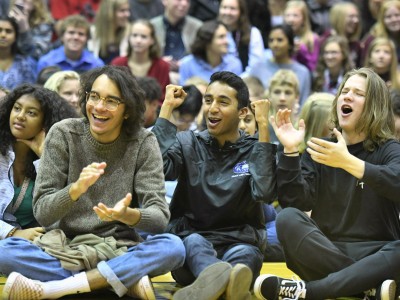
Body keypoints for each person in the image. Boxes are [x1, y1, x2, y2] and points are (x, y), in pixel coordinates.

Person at [0, 65, 185, 300]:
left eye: (111, 101)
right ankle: (119, 280)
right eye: (94, 96)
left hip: (119, 246)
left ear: (127, 110)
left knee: (173, 247)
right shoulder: (63, 133)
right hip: (64, 246)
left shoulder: (143, 142)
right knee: (4, 252)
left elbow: (159, 218)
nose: (98, 106)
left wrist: (129, 215)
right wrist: (74, 190)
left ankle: (55, 289)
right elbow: (43, 213)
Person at [254, 67, 400, 299]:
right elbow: (296, 201)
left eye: (358, 93)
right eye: (344, 90)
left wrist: (348, 162)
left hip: (376, 253)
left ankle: (311, 291)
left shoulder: (389, 148)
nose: (347, 96)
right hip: (325, 250)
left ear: (375, 105)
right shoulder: (320, 148)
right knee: (287, 218)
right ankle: (363, 287)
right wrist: (290, 152)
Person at [152, 71, 277, 300]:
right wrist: (167, 108)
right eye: (208, 100)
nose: (212, 108)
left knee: (246, 256)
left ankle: (212, 288)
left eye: (223, 102)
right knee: (193, 243)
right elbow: (156, 169)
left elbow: (264, 191)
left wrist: (264, 127)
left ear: (242, 112)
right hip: (193, 241)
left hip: (239, 241)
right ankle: (225, 285)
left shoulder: (254, 149)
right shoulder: (187, 142)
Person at [0, 84, 78, 242]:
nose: (20, 116)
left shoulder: (53, 157)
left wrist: (45, 156)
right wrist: (13, 233)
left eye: (31, 113)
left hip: (33, 245)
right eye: (16, 108)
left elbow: (66, 207)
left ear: (45, 122)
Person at [244, 24, 311, 107]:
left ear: (290, 44)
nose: (274, 44)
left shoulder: (302, 72)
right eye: (271, 40)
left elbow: (304, 103)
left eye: (279, 40)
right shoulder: (257, 68)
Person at [111, 19, 170, 101]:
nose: (138, 40)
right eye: (134, 35)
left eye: (143, 37)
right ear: (129, 38)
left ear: (152, 40)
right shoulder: (117, 63)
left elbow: (163, 98)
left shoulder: (163, 66)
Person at [150, 0, 203, 82]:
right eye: (179, 0)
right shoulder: (152, 26)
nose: (184, 4)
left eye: (188, 1)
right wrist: (159, 61)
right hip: (157, 75)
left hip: (189, 77)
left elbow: (203, 57)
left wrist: (186, 62)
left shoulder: (197, 27)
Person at [179, 20, 243, 85]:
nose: (226, 41)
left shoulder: (234, 64)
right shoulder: (187, 64)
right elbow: (184, 92)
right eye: (221, 37)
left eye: (226, 36)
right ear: (207, 42)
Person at [37, 14, 104, 76]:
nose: (76, 37)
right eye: (71, 32)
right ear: (62, 36)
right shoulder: (46, 63)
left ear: (87, 39)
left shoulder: (97, 65)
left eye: (81, 34)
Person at [218, 0, 265, 74]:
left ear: (241, 11)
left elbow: (256, 66)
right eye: (224, 7)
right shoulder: (213, 30)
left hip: (244, 81)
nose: (227, 12)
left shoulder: (253, 33)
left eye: (232, 8)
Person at [0, 15, 36, 90]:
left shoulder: (25, 63)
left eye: (8, 31)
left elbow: (30, 93)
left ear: (15, 36)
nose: (3, 35)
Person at [88, 0, 131, 64]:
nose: (127, 14)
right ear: (109, 13)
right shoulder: (92, 32)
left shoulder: (131, 34)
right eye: (122, 11)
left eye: (128, 10)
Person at [283, 0, 320, 72]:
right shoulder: (280, 37)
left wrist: (302, 50)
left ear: (303, 19)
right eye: (288, 15)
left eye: (295, 15)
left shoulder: (312, 38)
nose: (291, 20)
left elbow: (313, 68)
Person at [361, 0, 400, 66]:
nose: (393, 20)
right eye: (388, 17)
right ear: (382, 20)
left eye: (397, 15)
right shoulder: (372, 39)